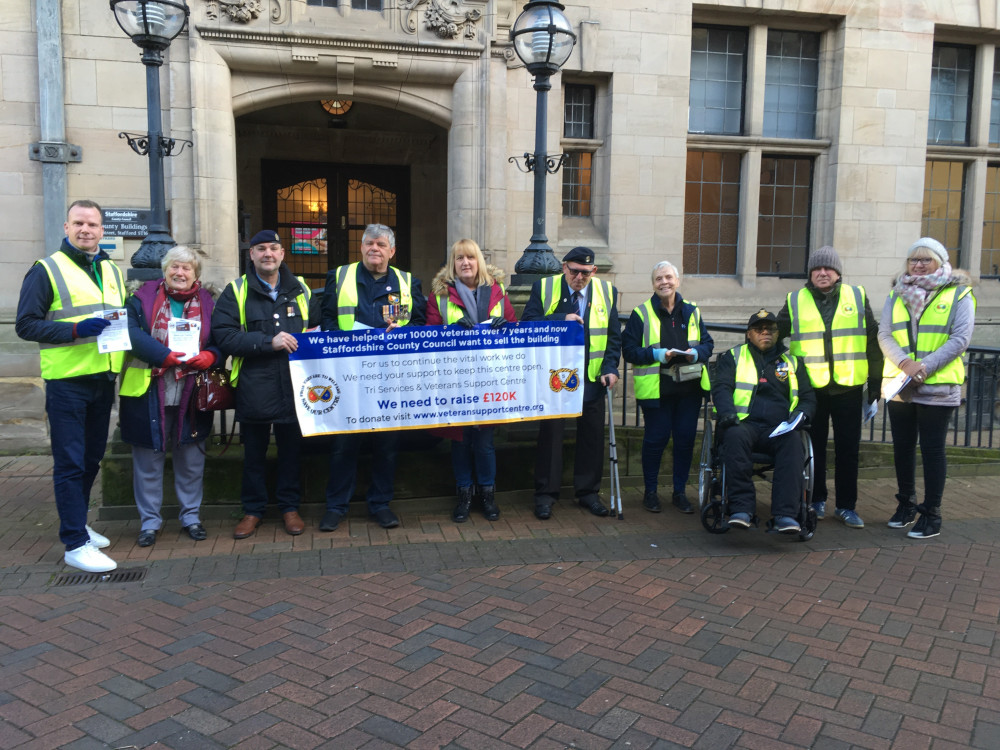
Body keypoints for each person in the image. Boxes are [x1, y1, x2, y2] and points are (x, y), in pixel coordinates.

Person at [15, 199, 124, 572]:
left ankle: (77, 524)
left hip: (102, 378)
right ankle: (75, 544)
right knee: (70, 463)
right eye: (78, 223)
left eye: (92, 224)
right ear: (66, 227)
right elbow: (26, 325)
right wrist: (76, 330)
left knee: (91, 459)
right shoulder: (46, 269)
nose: (85, 230)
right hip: (66, 383)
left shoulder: (111, 269)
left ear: (102, 231)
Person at [211, 229, 320, 539]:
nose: (268, 254)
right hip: (254, 383)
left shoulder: (302, 290)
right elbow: (225, 336)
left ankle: (289, 508)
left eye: (274, 248)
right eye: (261, 249)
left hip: (295, 385)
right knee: (254, 454)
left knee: (290, 451)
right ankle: (253, 511)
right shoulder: (237, 290)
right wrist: (267, 342)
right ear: (252, 255)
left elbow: (315, 330)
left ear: (283, 254)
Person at [319, 224, 427, 531]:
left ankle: (380, 504)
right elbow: (326, 318)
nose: (374, 248)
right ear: (362, 247)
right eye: (369, 243)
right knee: (343, 444)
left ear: (392, 251)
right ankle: (336, 506)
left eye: (381, 244)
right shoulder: (340, 277)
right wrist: (341, 339)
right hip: (348, 376)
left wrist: (404, 333)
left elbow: (420, 325)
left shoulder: (408, 282)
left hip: (389, 378)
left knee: (386, 444)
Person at [119, 246, 220, 547]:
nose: (180, 273)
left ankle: (191, 517)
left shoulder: (209, 302)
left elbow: (221, 338)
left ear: (195, 274)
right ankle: (149, 522)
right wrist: (163, 355)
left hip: (192, 393)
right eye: (175, 267)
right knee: (147, 461)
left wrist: (211, 355)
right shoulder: (141, 298)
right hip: (148, 390)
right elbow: (131, 334)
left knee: (191, 460)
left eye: (187, 268)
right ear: (164, 270)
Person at [777, 246, 882, 529]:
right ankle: (817, 499)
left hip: (849, 387)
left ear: (838, 274)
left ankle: (847, 506)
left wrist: (875, 385)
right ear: (810, 274)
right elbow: (775, 334)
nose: (823, 273)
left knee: (849, 450)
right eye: (817, 269)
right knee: (814, 449)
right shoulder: (795, 300)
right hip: (812, 390)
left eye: (828, 269)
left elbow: (873, 341)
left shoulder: (857, 297)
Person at [878, 237, 975, 540]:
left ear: (940, 262)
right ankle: (905, 504)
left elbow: (960, 339)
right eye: (913, 260)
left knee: (932, 451)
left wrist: (924, 367)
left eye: (925, 260)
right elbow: (884, 333)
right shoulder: (896, 294)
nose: (918, 265)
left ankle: (931, 513)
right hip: (901, 384)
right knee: (902, 448)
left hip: (937, 386)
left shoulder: (960, 294)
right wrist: (906, 364)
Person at [521, 247, 621, 520]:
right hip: (556, 377)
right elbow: (527, 324)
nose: (579, 277)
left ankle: (588, 493)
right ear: (564, 267)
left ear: (594, 271)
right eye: (574, 271)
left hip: (592, 377)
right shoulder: (544, 287)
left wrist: (611, 368)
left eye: (585, 273)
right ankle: (545, 495)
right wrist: (559, 319)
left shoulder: (606, 292)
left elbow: (613, 337)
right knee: (551, 435)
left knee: (591, 437)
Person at [426, 238, 518, 523]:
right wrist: (450, 330)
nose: (465, 263)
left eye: (470, 258)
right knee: (461, 442)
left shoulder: (498, 293)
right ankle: (464, 496)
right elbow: (429, 336)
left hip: (490, 379)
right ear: (452, 264)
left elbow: (516, 334)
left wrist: (508, 328)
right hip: (455, 380)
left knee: (485, 443)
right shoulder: (439, 297)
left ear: (479, 261)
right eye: (459, 259)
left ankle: (488, 497)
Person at [711, 310, 816, 533]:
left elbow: (807, 397)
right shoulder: (733, 357)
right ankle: (741, 509)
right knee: (733, 437)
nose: (765, 333)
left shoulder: (792, 362)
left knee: (793, 443)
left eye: (771, 329)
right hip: (743, 424)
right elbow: (721, 388)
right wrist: (728, 413)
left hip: (779, 428)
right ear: (749, 334)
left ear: (778, 334)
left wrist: (801, 415)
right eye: (759, 329)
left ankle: (785, 515)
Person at [622, 261, 713, 514]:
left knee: (684, 441)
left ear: (678, 280)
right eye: (659, 278)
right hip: (657, 389)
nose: (664, 282)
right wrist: (658, 354)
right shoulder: (640, 314)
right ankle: (650, 492)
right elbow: (629, 351)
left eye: (668, 277)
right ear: (653, 284)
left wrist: (696, 353)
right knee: (655, 440)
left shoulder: (692, 311)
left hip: (690, 389)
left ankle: (679, 492)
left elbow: (708, 344)